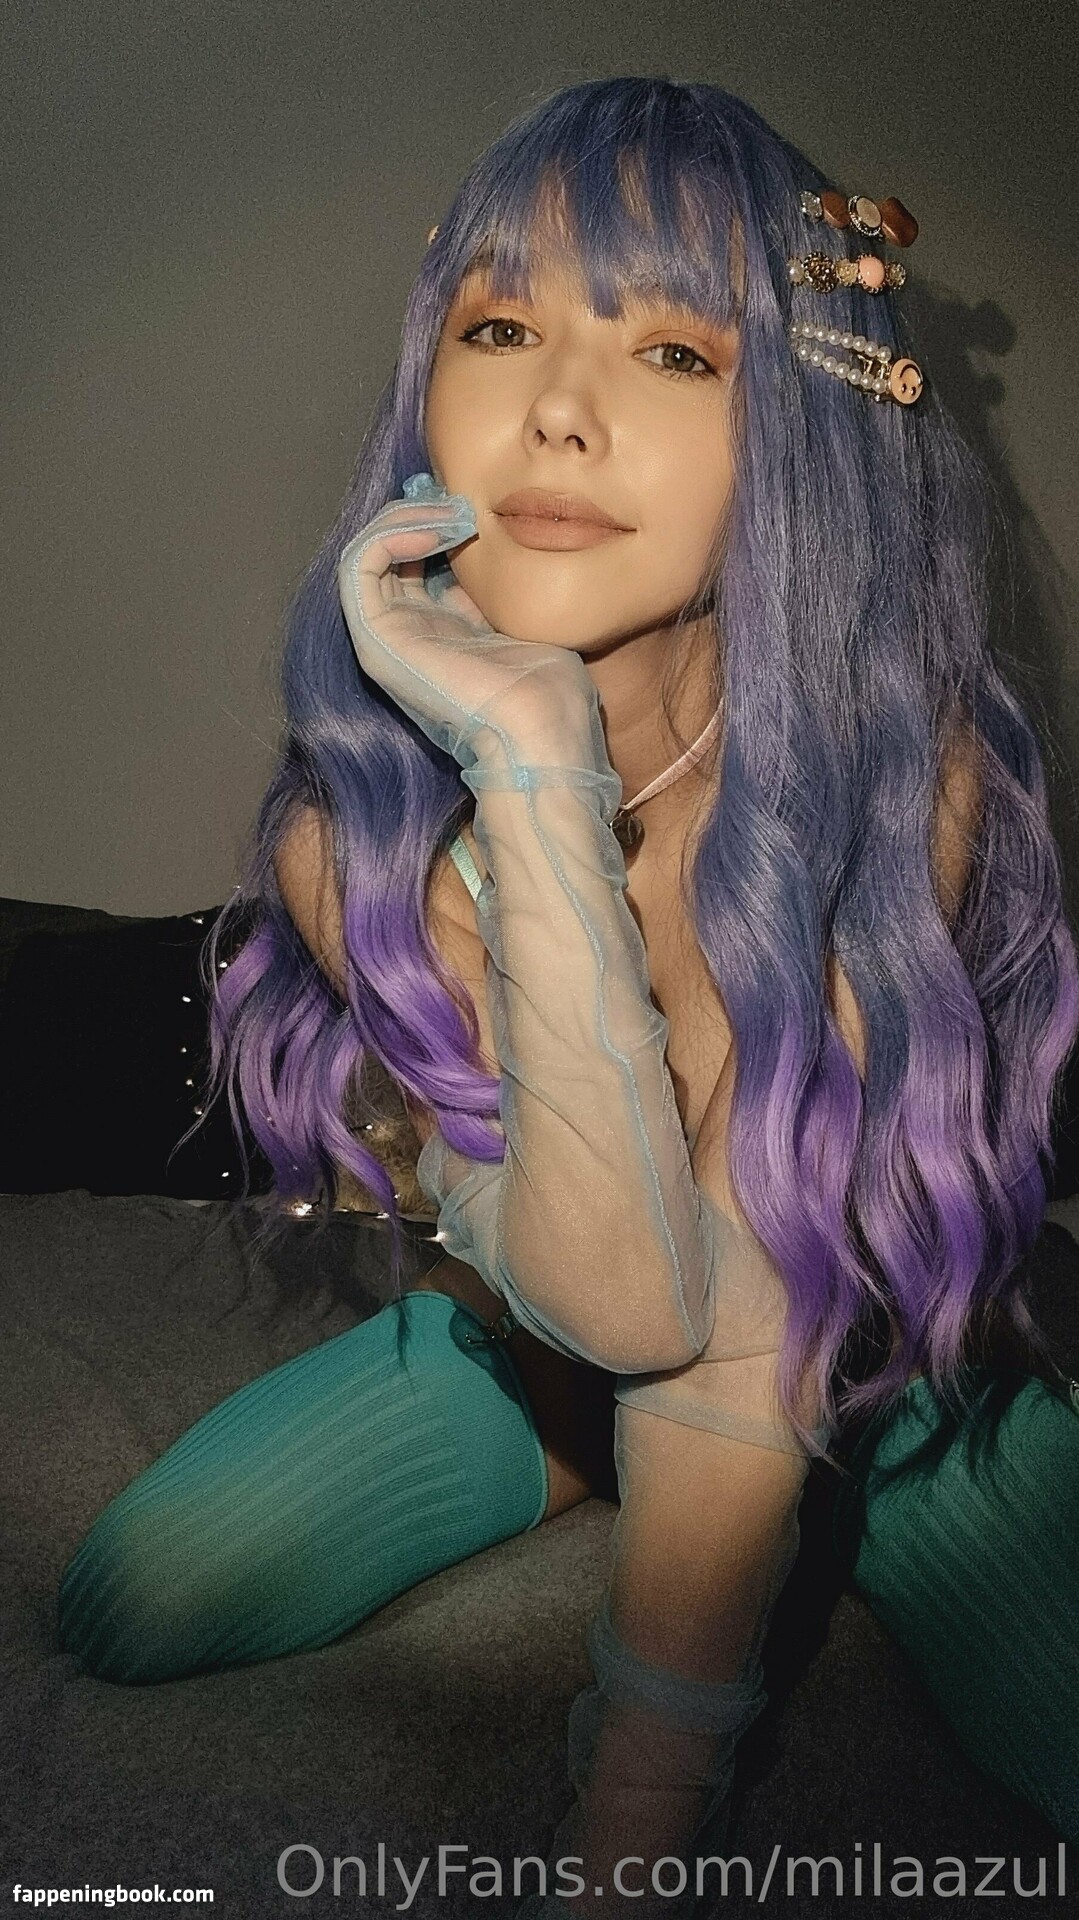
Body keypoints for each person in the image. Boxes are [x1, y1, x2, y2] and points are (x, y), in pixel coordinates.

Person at [56, 78, 1079, 1914]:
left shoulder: (905, 783)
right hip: (537, 1342)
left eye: (676, 352)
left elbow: (749, 1295)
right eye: (501, 326)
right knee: (130, 1604)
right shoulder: (355, 840)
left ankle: (831, 1499)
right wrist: (529, 765)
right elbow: (620, 1299)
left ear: (807, 435)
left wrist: (630, 1825)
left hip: (851, 1369)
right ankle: (583, 1462)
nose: (558, 409)